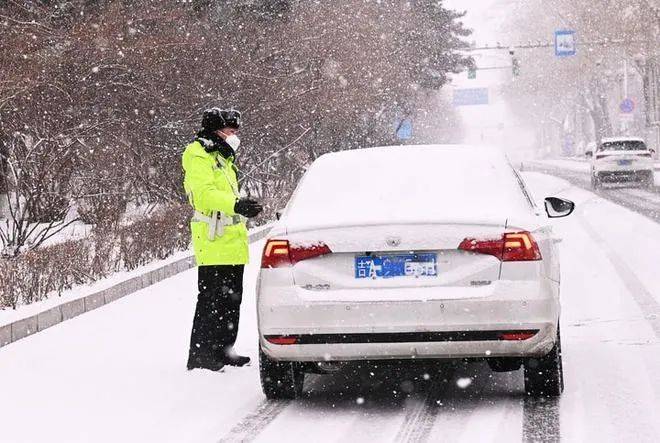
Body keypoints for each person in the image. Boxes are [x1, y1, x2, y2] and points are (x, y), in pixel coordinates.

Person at [182, 108, 263, 371]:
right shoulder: (197, 154)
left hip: (231, 238)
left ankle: (224, 348)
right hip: (213, 237)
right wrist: (236, 204)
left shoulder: (224, 157)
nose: (234, 137)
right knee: (211, 298)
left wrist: (241, 206)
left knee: (231, 299)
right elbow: (204, 195)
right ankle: (201, 354)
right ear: (215, 131)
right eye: (230, 132)